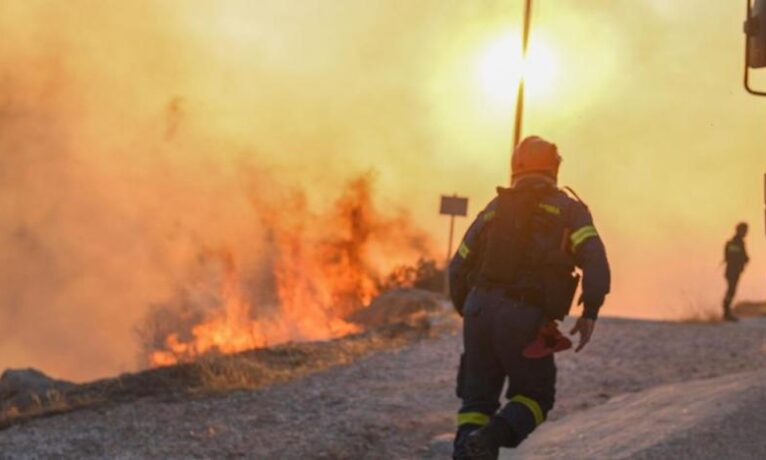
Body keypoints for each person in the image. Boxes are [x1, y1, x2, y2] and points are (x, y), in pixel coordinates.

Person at [449, 136, 611, 460]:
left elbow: (458, 266)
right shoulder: (569, 209)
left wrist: (470, 312)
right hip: (523, 316)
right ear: (554, 167)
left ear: (515, 167)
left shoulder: (494, 209)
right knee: (536, 396)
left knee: (475, 405)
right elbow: (595, 258)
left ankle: (471, 447)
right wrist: (590, 310)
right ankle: (489, 438)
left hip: (478, 309)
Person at [722, 222, 749, 322]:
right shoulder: (737, 242)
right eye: (745, 230)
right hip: (732, 270)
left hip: (733, 270)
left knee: (731, 290)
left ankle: (726, 311)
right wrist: (744, 258)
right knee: (731, 290)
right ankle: (726, 312)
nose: (746, 233)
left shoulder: (737, 242)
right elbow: (737, 256)